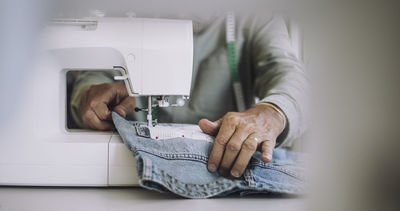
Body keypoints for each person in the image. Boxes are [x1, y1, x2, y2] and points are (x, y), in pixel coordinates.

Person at [70, 15, 309, 179]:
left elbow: (288, 73)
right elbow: (93, 74)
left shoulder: (256, 15)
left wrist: (273, 112)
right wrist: (87, 95)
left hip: (223, 175)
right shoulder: (128, 12)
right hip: (127, 167)